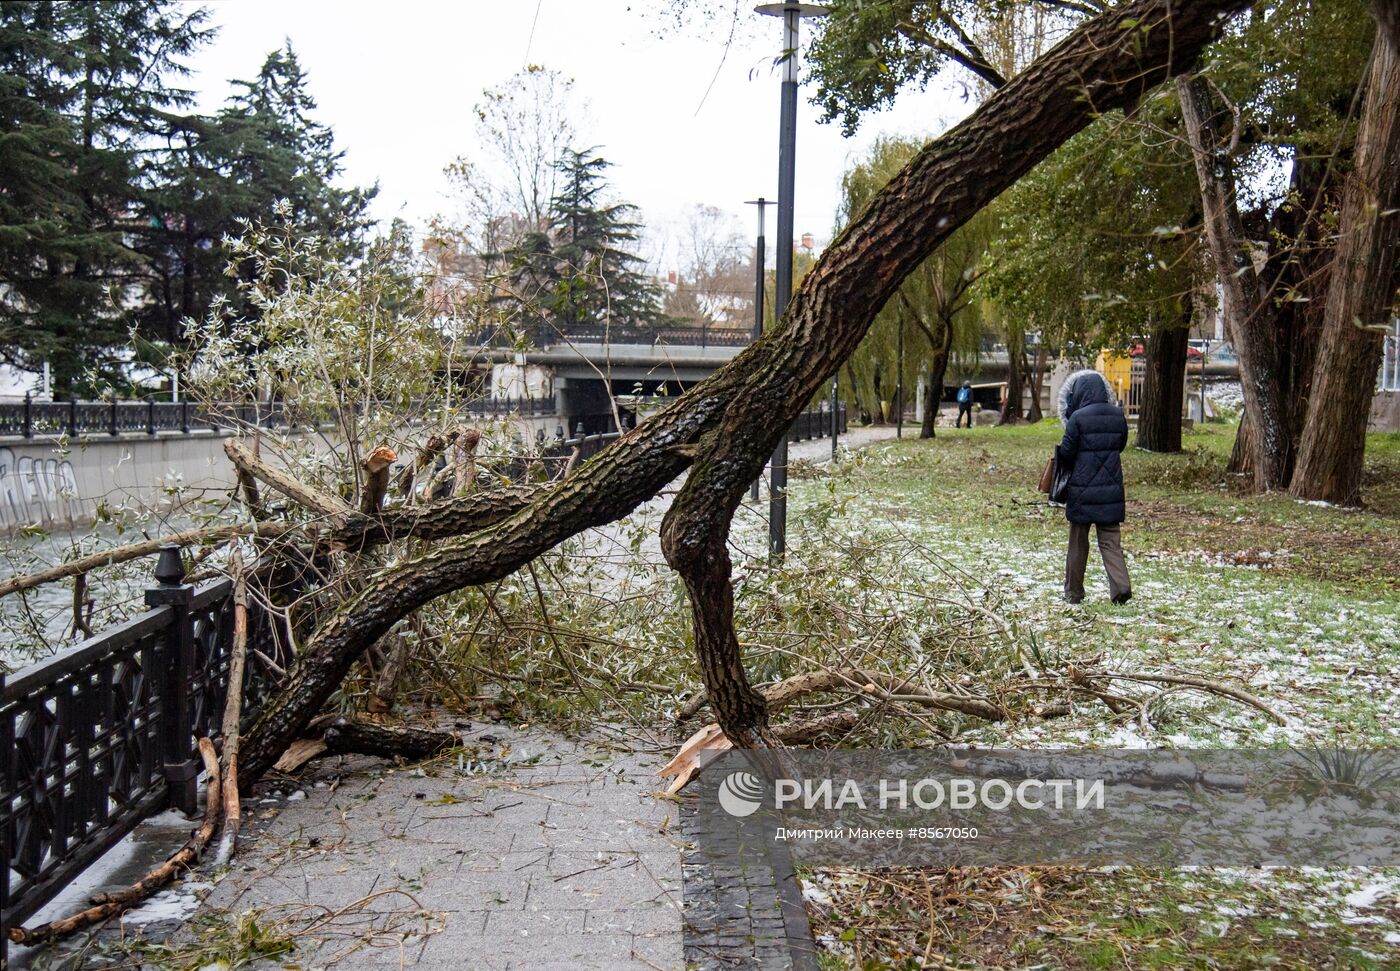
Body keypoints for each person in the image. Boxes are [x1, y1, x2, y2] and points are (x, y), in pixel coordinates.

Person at [1055, 369, 1132, 604]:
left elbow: (1067, 452)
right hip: (1110, 490)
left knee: (1078, 543)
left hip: (1081, 490)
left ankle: (1074, 592)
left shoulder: (1077, 418)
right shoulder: (1117, 415)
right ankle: (1120, 588)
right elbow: (1120, 444)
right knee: (1111, 542)